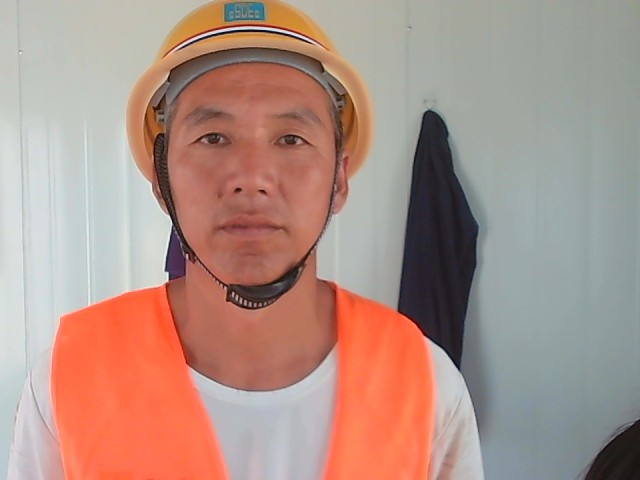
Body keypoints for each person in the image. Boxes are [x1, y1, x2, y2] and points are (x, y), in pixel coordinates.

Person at [8, 1, 484, 478]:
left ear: (339, 179)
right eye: (213, 138)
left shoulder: (426, 384)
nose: (252, 178)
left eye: (291, 139)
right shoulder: (67, 380)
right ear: (161, 180)